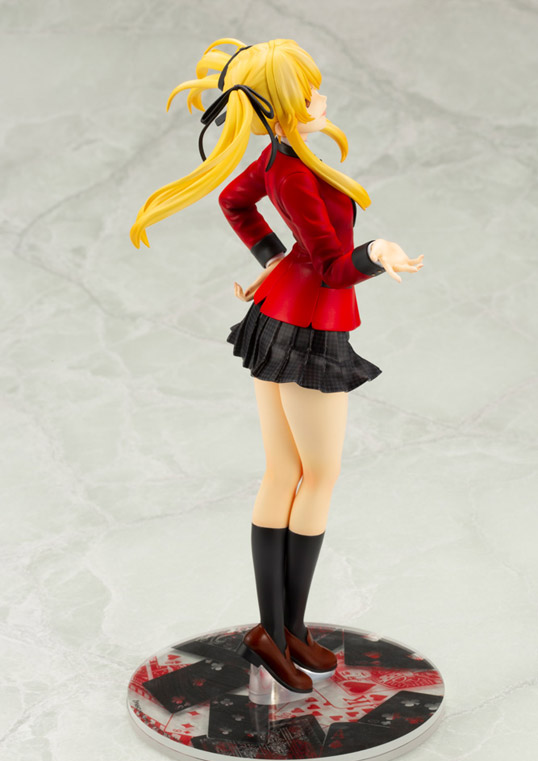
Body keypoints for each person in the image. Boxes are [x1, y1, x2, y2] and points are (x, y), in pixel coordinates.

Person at [130, 38, 424, 695]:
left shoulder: (278, 159)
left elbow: (233, 202)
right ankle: (277, 630)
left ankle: (282, 632)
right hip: (308, 327)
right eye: (309, 91)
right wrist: (378, 251)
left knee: (286, 472)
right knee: (317, 475)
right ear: (283, 105)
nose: (322, 99)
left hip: (279, 314)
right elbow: (333, 267)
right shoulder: (291, 170)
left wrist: (271, 260)